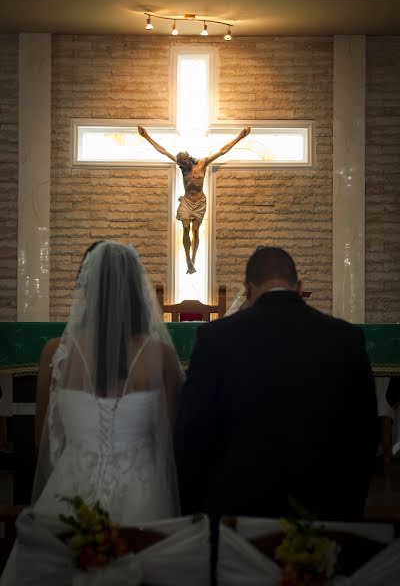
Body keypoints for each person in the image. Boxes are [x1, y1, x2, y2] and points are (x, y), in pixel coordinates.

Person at [1, 241, 183, 584]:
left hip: (70, 487)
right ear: (137, 290)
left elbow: (46, 437)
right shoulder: (159, 355)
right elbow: (170, 439)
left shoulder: (55, 352)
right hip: (143, 493)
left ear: (84, 288)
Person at [175, 246, 378, 523]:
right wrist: (349, 510)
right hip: (323, 511)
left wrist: (197, 510)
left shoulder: (216, 338)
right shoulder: (345, 338)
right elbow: (364, 435)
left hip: (238, 510)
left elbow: (192, 431)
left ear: (247, 290)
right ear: (299, 287)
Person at [138, 125, 251, 274]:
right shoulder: (182, 167)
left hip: (199, 202)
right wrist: (146, 136)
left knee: (196, 231)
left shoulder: (202, 163)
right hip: (186, 202)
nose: (182, 166)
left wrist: (240, 136)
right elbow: (164, 151)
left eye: (184, 163)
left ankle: (194, 260)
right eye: (180, 164)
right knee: (185, 228)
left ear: (188, 158)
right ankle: (188, 260)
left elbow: (222, 151)